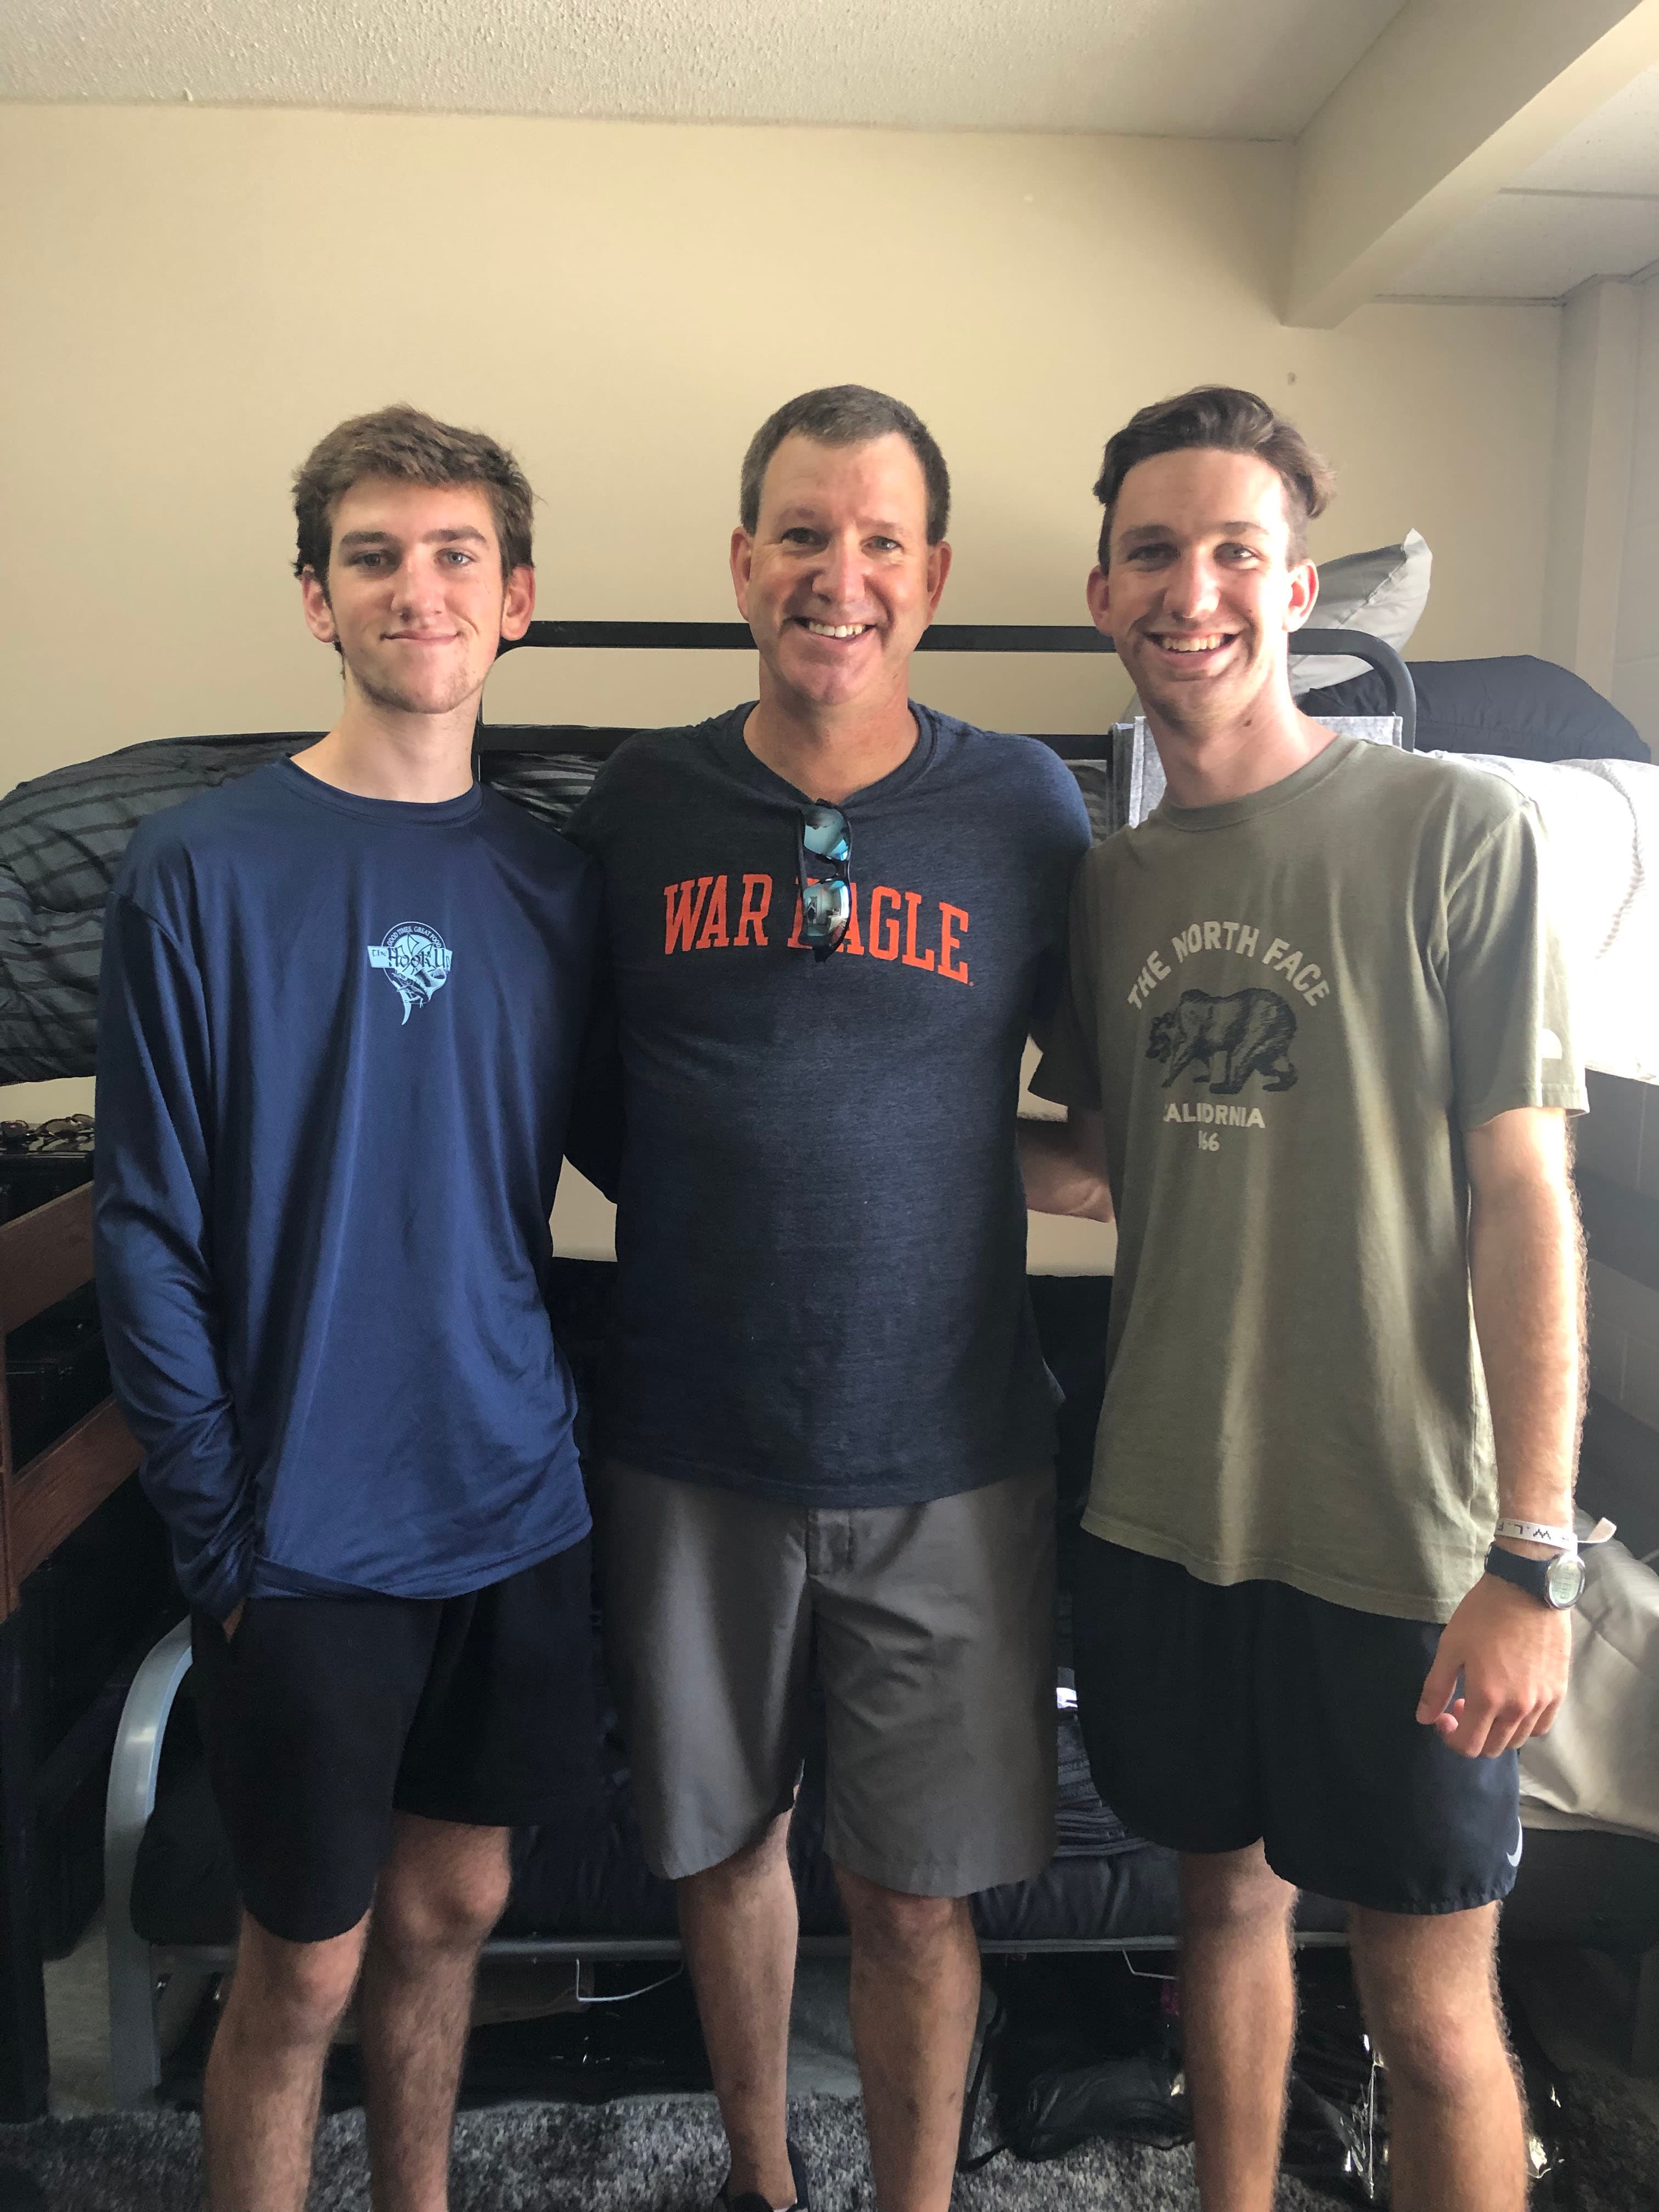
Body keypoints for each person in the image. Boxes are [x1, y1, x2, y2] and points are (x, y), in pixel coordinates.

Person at [1020, 385, 1587, 2212]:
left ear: (1302, 585)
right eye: (1156, 555)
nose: (1195, 591)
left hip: (1403, 1540)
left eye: (1235, 553)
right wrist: (847, 1129)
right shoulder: (1106, 887)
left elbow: (1526, 1199)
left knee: (1434, 2012)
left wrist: (1534, 1554)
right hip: (1167, 1512)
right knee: (1221, 1922)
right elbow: (1111, 1158)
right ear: (1104, 593)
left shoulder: (1452, 830)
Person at [567, 385, 1092, 2212]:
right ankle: (762, 2178)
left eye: (879, 541)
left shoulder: (1025, 806)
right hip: (689, 1441)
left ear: (932, 576)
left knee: (917, 1888)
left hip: (950, 1449)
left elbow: (1100, 1123)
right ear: (742, 563)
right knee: (722, 1852)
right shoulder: (638, 804)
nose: (838, 576)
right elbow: (592, 1106)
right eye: (802, 534)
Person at [94, 404, 601, 2212]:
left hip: (515, 1502)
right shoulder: (200, 873)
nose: (419, 586)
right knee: (299, 1965)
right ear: (317, 597)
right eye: (375, 554)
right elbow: (145, 1233)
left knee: (456, 1910)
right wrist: (216, 1529)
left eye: (457, 553)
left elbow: (676, 1151)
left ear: (517, 598)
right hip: (297, 1528)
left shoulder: (554, 886)